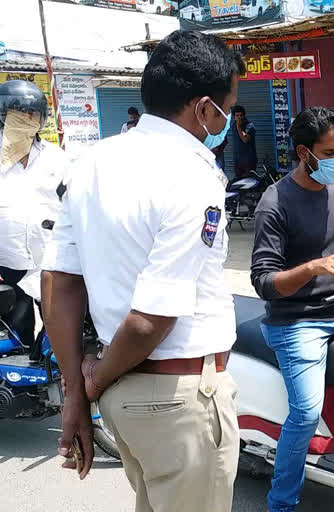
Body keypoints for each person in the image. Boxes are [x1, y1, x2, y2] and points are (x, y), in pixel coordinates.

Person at [42, 30, 244, 512]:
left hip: (127, 399)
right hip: (178, 398)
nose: (227, 121)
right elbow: (153, 317)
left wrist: (77, 390)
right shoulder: (194, 175)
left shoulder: (90, 162)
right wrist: (88, 385)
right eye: (227, 108)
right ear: (202, 109)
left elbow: (59, 282)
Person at [251, 106, 334, 512]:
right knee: (306, 412)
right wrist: (313, 266)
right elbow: (264, 282)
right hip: (297, 320)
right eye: (330, 153)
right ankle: (282, 502)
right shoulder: (274, 203)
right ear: (303, 152)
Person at [0, 79, 68, 347]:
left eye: (34, 115)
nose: (28, 120)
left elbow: (72, 205)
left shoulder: (56, 158)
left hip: (50, 264)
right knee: (15, 339)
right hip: (7, 267)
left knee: (58, 342)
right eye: (20, 115)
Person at [232, 104, 258, 178]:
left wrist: (239, 127)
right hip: (238, 161)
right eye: (237, 116)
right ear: (234, 117)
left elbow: (245, 139)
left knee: (249, 182)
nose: (239, 117)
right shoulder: (233, 125)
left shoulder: (250, 126)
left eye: (241, 115)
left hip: (249, 161)